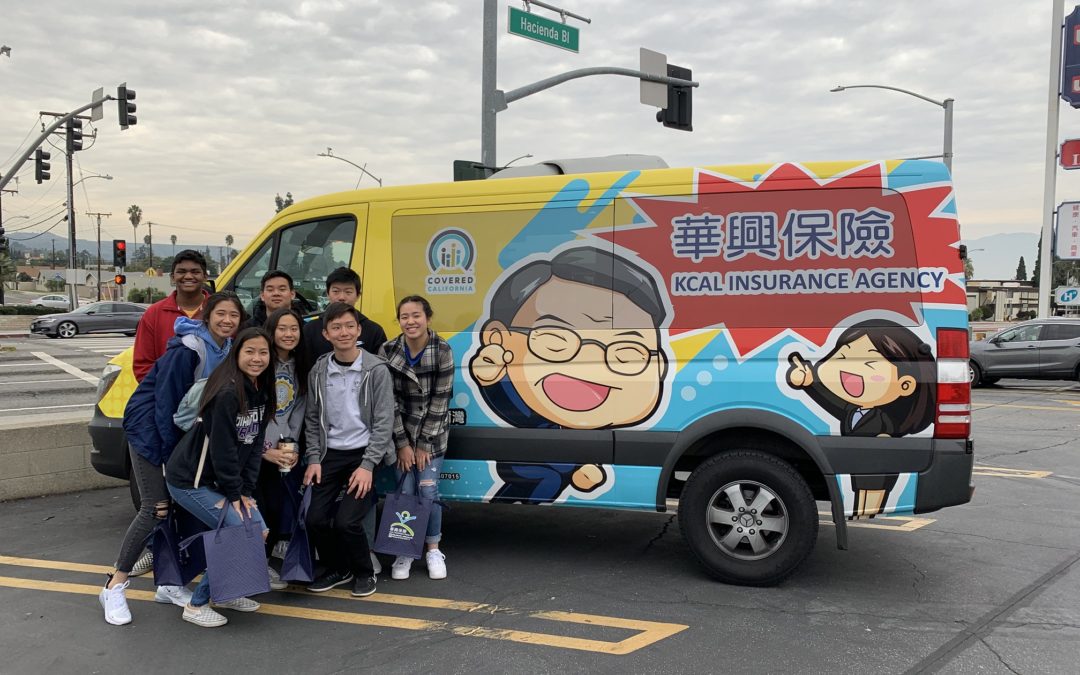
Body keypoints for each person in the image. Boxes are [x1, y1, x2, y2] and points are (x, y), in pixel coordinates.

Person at [99, 291, 244, 626]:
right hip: (151, 432)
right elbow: (164, 407)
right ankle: (114, 585)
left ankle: (167, 582)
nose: (227, 321)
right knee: (155, 507)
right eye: (220, 314)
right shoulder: (188, 348)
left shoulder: (226, 349)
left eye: (233, 316)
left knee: (179, 510)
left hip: (183, 437)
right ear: (206, 315)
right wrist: (170, 460)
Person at [165, 327, 276, 628]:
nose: (256, 358)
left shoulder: (262, 391)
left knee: (258, 530)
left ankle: (226, 593)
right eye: (249, 351)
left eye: (263, 352)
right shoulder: (226, 393)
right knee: (240, 531)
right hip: (190, 480)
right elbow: (223, 451)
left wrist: (247, 492)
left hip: (220, 481)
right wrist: (234, 494)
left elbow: (254, 446)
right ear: (236, 353)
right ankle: (197, 604)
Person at [302, 302, 395, 598]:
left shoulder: (376, 370)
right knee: (314, 519)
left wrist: (368, 466)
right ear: (326, 333)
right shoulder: (319, 369)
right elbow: (312, 419)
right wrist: (314, 459)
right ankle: (338, 568)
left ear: (359, 330)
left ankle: (364, 572)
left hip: (364, 454)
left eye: (349, 326)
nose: (344, 332)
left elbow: (384, 422)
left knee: (347, 521)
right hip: (331, 454)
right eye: (336, 327)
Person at [380, 295, 454, 581]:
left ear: (428, 317)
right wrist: (402, 444)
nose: (410, 322)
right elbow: (389, 401)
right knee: (406, 491)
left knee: (427, 489)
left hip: (432, 437)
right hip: (400, 434)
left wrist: (423, 445)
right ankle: (405, 549)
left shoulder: (442, 349)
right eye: (404, 317)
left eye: (416, 315)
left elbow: (440, 401)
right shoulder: (388, 350)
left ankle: (433, 548)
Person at [258, 307, 310, 590]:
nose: (288, 334)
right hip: (260, 448)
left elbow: (298, 407)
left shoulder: (299, 365)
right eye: (282, 329)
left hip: (284, 446)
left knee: (283, 499)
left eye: (294, 329)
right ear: (271, 330)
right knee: (261, 505)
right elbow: (258, 410)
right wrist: (268, 447)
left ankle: (279, 547)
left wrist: (291, 442)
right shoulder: (262, 361)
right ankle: (259, 564)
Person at [132, 249, 211, 382]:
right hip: (167, 396)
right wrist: (166, 390)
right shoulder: (154, 314)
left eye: (195, 272)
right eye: (181, 271)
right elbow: (142, 366)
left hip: (212, 396)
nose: (188, 276)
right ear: (172, 277)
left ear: (205, 277)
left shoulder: (220, 311)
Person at [303, 267, 387, 360]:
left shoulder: (374, 331)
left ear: (358, 295)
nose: (341, 297)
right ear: (327, 293)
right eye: (336, 291)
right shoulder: (310, 329)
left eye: (348, 292)